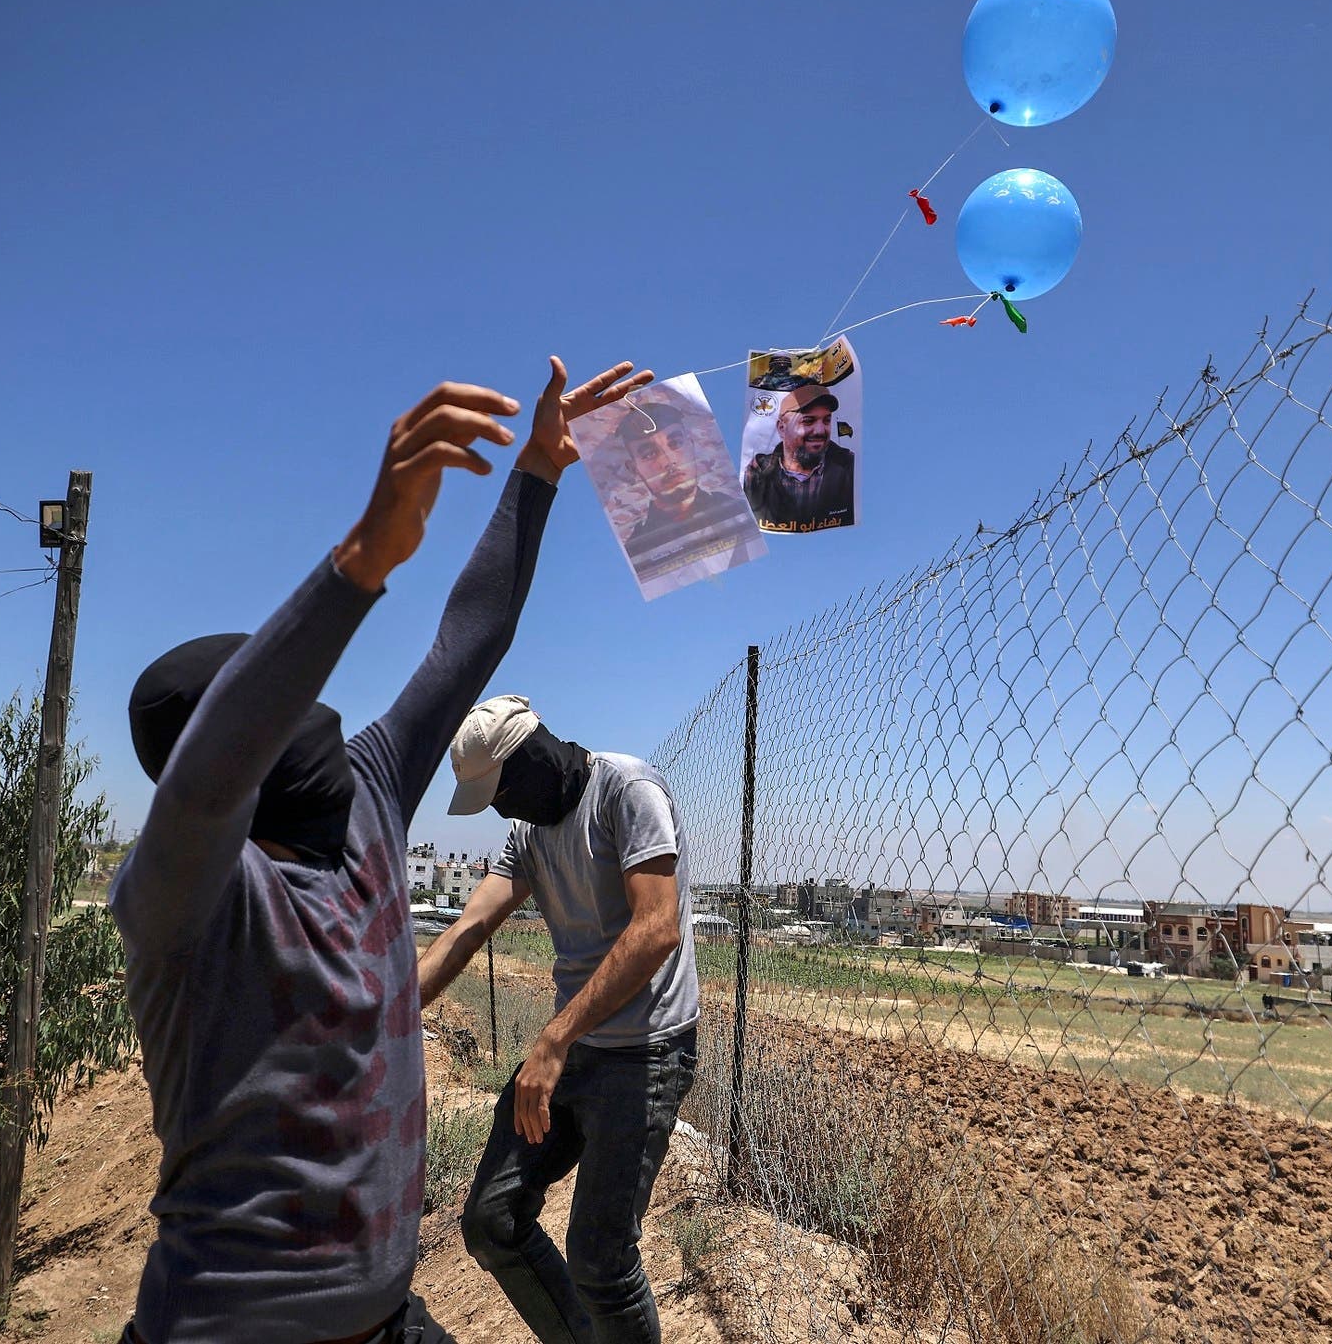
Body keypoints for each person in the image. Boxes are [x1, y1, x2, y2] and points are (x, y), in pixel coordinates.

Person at [110, 358, 650, 1344]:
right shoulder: (183, 889)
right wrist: (359, 560)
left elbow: (464, 644)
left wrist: (536, 474)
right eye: (277, 693)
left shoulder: (363, 797)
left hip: (387, 1319)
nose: (319, 705)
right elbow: (207, 774)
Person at [416, 695, 699, 1344]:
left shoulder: (627, 789)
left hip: (645, 1052)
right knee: (493, 1218)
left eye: (501, 789)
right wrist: (389, 1016)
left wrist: (553, 1038)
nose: (499, 807)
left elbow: (657, 928)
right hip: (576, 1049)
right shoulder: (528, 833)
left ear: (533, 756)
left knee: (601, 1261)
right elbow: (469, 926)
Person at [612, 393, 756, 568]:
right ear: (634, 468)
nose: (668, 461)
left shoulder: (736, 512)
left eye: (675, 443)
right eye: (649, 454)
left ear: (691, 444)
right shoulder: (638, 549)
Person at [740, 380, 854, 531]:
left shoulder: (847, 466)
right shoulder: (758, 473)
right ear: (782, 428)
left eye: (826, 420)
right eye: (808, 421)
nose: (820, 430)